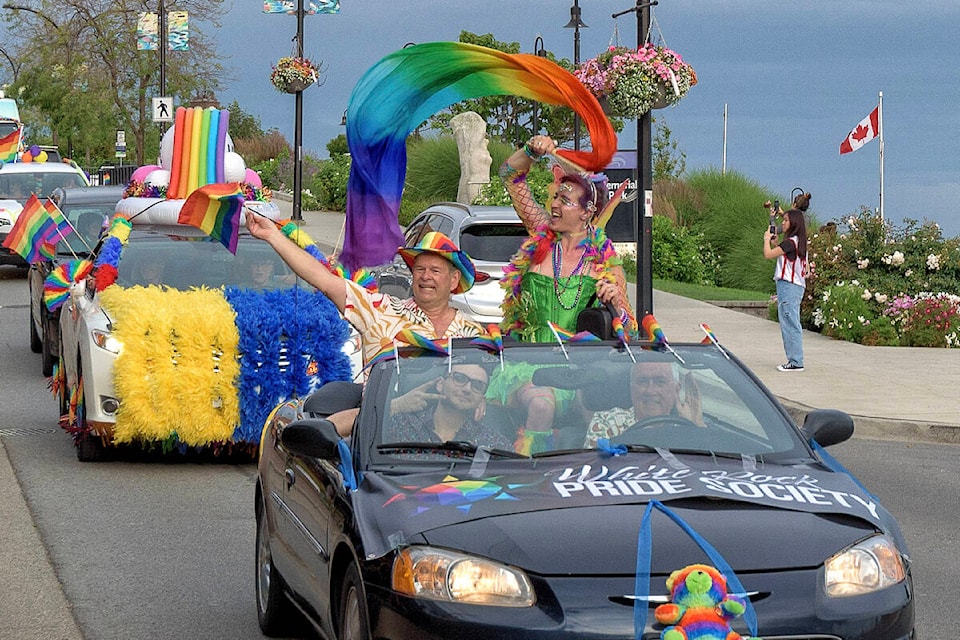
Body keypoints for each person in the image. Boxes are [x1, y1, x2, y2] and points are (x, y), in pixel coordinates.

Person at [491, 134, 639, 450]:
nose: (555, 204)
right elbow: (509, 175)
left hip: (575, 373)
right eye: (555, 197)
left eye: (565, 200)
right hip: (525, 366)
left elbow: (630, 329)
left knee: (581, 413)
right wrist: (532, 150)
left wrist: (615, 303)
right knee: (541, 403)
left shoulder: (604, 264)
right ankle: (529, 476)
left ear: (587, 212)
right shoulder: (540, 236)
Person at [246, 217, 484, 364]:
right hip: (383, 437)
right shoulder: (380, 308)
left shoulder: (473, 332)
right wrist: (273, 236)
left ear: (454, 280)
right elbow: (323, 279)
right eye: (419, 269)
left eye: (435, 270)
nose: (425, 277)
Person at [385, 363, 513, 450]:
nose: (467, 389)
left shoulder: (496, 444)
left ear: (481, 400)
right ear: (440, 384)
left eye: (478, 385)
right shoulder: (400, 424)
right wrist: (394, 406)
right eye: (459, 378)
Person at [583, 361, 703, 447]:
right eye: (642, 382)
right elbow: (594, 469)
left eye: (660, 382)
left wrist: (697, 428)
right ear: (631, 388)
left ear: (676, 390)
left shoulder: (687, 423)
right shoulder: (608, 421)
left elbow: (709, 468)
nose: (650, 391)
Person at [763, 192, 810, 372]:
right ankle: (794, 359)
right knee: (790, 321)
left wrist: (767, 240)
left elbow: (768, 255)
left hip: (789, 286)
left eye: (786, 220)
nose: (783, 222)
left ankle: (796, 361)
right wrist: (775, 242)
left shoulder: (791, 242)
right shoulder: (798, 241)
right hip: (794, 285)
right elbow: (782, 252)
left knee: (790, 322)